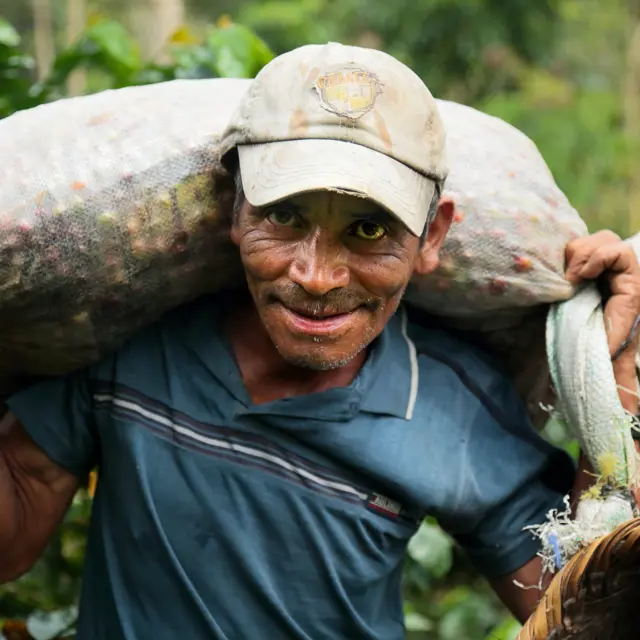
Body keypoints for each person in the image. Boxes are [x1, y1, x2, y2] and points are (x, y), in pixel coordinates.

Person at [0, 42, 639, 640]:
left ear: (433, 235)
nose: (316, 276)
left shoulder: (450, 401)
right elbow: (14, 526)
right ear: (234, 206)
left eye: (367, 229)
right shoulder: (134, 339)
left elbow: (574, 603)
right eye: (284, 216)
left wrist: (618, 369)